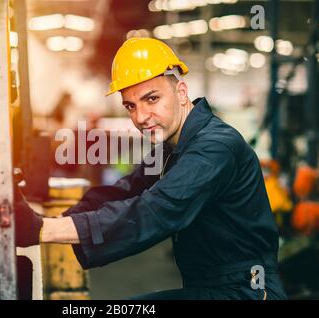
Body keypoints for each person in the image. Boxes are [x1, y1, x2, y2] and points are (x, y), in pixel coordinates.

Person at [18, 37, 288, 300]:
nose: (140, 117)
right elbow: (123, 192)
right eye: (131, 106)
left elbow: (156, 210)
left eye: (152, 99)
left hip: (247, 291)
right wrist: (54, 220)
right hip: (211, 287)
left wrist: (42, 230)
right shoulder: (172, 150)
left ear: (181, 92)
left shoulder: (214, 148)